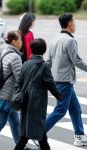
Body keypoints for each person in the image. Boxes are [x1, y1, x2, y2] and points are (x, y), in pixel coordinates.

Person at [46, 13, 87, 147]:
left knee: (75, 109)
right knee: (60, 110)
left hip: (58, 80)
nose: (75, 25)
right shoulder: (70, 41)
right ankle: (38, 133)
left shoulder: (55, 39)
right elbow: (77, 61)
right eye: (74, 22)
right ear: (69, 24)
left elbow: (48, 61)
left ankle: (79, 136)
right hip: (64, 81)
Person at [14, 38, 62, 150]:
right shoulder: (44, 66)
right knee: (33, 133)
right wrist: (59, 96)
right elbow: (50, 83)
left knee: (29, 131)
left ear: (31, 50)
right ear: (44, 50)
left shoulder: (25, 64)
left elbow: (18, 83)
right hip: (37, 103)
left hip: (25, 101)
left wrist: (19, 96)